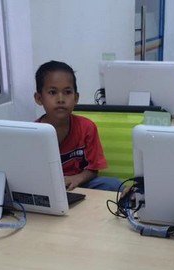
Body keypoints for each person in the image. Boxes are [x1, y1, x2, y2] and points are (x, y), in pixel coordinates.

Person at [34, 60, 121, 191]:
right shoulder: (32, 133)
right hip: (45, 187)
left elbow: (93, 169)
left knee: (113, 185)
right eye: (52, 92)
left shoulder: (87, 127)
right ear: (39, 98)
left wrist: (76, 179)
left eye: (67, 92)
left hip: (79, 183)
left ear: (76, 98)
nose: (61, 99)